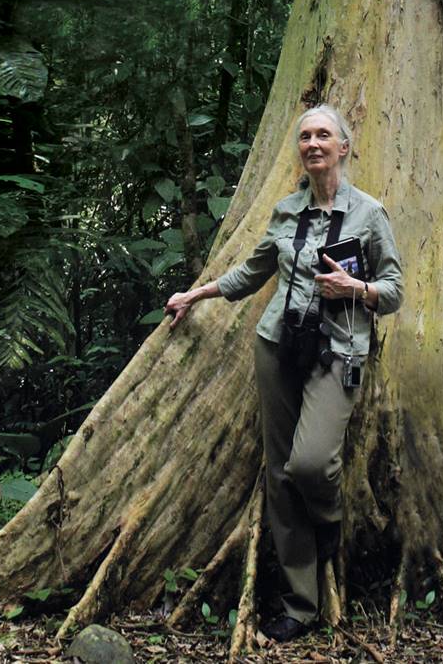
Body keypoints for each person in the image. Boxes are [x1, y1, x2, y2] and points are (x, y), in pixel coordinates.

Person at [164, 104, 403, 642]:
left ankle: (331, 521)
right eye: (305, 137)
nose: (313, 143)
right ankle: (300, 604)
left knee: (311, 465)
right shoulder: (285, 211)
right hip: (277, 346)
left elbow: (394, 290)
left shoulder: (370, 214)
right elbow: (254, 271)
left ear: (344, 147)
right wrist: (197, 293)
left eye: (324, 135)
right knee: (279, 474)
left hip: (338, 350)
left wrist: (357, 290)